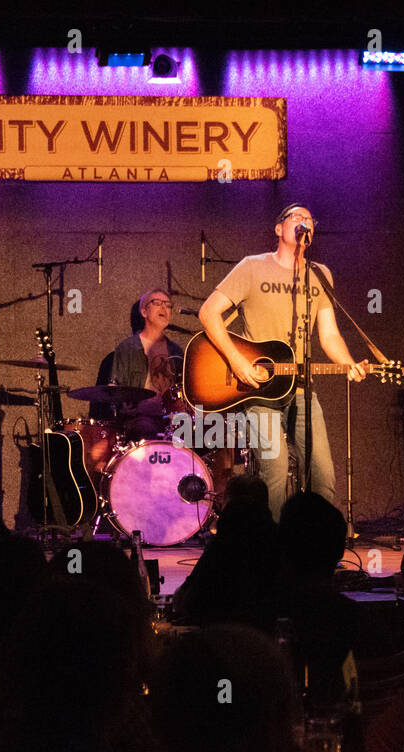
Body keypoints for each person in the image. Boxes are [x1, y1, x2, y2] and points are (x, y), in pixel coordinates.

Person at [198, 203, 368, 520]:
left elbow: (329, 335)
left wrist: (348, 363)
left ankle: (313, 550)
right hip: (259, 388)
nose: (305, 223)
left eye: (310, 220)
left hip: (302, 389)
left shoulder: (320, 275)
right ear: (279, 228)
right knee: (274, 469)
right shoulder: (252, 267)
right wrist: (236, 361)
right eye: (297, 218)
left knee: (322, 474)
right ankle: (270, 548)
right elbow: (208, 312)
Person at [97, 289, 185, 438]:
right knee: (145, 427)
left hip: (171, 419)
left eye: (168, 305)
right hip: (139, 418)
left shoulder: (176, 350)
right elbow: (115, 393)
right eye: (157, 303)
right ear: (144, 312)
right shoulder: (127, 348)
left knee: (211, 432)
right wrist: (138, 406)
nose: (164, 308)